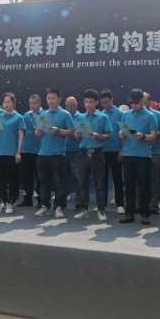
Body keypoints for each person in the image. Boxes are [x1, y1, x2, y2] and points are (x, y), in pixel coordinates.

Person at [119, 89, 158, 225]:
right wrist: (121, 135)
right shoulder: (125, 115)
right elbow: (123, 133)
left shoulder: (150, 116)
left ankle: (145, 213)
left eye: (136, 103)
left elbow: (154, 136)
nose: (134, 105)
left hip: (143, 155)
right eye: (132, 103)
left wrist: (142, 136)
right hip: (128, 154)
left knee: (144, 185)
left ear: (142, 100)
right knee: (128, 185)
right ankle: (129, 212)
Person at [34, 88, 74, 218]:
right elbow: (38, 134)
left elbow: (71, 132)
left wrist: (58, 130)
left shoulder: (65, 114)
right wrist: (38, 131)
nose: (51, 101)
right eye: (48, 98)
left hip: (57, 154)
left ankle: (59, 207)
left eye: (53, 98)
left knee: (59, 183)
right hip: (42, 153)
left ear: (59, 99)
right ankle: (45, 206)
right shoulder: (43, 114)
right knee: (43, 183)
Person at [73, 89, 111, 222]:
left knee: (100, 184)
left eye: (90, 102)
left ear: (96, 102)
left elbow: (108, 135)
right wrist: (77, 134)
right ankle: (84, 210)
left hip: (97, 153)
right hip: (83, 153)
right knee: (83, 184)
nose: (88, 105)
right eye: (86, 102)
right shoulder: (80, 118)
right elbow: (76, 136)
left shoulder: (103, 117)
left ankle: (101, 210)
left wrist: (98, 136)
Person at [0, 92, 25, 214]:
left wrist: (18, 152)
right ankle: (3, 202)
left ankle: (10, 203)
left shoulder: (19, 118)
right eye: (4, 102)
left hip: (11, 153)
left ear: (13, 103)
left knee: (12, 179)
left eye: (8, 102)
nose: (6, 104)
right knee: (0, 180)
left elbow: (21, 136)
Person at [100, 89, 125, 214]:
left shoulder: (120, 114)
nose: (105, 104)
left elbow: (124, 134)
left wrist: (122, 150)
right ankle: (102, 204)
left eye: (107, 102)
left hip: (116, 151)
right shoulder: (100, 114)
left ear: (112, 100)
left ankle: (120, 204)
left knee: (117, 178)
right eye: (103, 102)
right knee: (102, 179)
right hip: (103, 151)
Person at [19, 94, 43, 207]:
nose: (32, 105)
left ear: (39, 103)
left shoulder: (44, 115)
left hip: (39, 150)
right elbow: (22, 131)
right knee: (26, 176)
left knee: (39, 177)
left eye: (34, 103)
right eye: (30, 103)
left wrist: (36, 130)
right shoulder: (26, 115)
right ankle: (27, 199)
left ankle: (41, 200)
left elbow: (46, 132)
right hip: (26, 149)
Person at [143, 93, 160, 216]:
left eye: (145, 101)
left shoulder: (159, 115)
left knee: (155, 181)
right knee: (141, 181)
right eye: (141, 101)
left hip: (156, 152)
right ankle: (140, 205)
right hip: (141, 152)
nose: (143, 103)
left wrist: (154, 134)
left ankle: (154, 205)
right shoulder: (133, 115)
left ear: (150, 101)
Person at [64, 96, 82, 211]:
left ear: (76, 105)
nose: (70, 108)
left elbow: (78, 136)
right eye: (68, 106)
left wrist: (64, 132)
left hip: (77, 151)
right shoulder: (63, 115)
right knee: (63, 176)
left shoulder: (81, 118)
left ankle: (79, 202)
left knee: (78, 177)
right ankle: (62, 200)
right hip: (63, 150)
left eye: (72, 106)